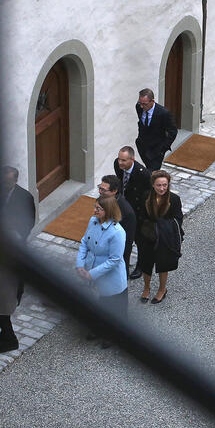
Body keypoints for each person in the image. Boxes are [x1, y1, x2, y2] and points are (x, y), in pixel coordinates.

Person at [0, 165, 37, 354]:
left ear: (15, 181)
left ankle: (10, 337)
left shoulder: (24, 198)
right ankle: (5, 333)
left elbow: (29, 222)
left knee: (2, 303)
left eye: (7, 182)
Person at [75, 196, 128, 343]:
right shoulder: (93, 221)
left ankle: (112, 335)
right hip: (90, 270)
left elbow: (114, 259)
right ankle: (98, 328)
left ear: (108, 210)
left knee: (111, 307)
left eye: (98, 208)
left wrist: (91, 274)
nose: (94, 211)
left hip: (109, 277)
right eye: (95, 207)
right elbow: (84, 242)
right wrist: (80, 264)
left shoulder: (117, 232)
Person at [136, 170, 183, 304]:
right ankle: (146, 288)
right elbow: (141, 215)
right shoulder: (146, 196)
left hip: (165, 237)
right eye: (159, 185)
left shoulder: (174, 199)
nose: (162, 188)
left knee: (164, 264)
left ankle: (162, 289)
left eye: (165, 185)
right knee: (146, 263)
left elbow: (178, 218)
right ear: (153, 185)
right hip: (148, 235)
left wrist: (166, 228)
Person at [114, 146, 150, 278]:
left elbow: (147, 195)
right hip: (123, 207)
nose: (120, 163)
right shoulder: (118, 165)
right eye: (119, 159)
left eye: (123, 160)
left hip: (137, 211)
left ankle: (141, 265)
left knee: (139, 240)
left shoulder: (143, 174)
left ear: (132, 159)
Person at [99, 175, 136, 277]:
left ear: (114, 191)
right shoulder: (103, 199)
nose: (100, 192)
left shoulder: (124, 210)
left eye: (103, 190)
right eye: (100, 188)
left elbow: (124, 240)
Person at [134, 88, 178, 172]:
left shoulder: (163, 113)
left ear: (152, 101)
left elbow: (173, 132)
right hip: (143, 147)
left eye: (144, 104)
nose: (142, 106)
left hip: (157, 150)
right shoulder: (139, 107)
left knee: (152, 174)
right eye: (140, 103)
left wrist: (162, 149)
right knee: (148, 169)